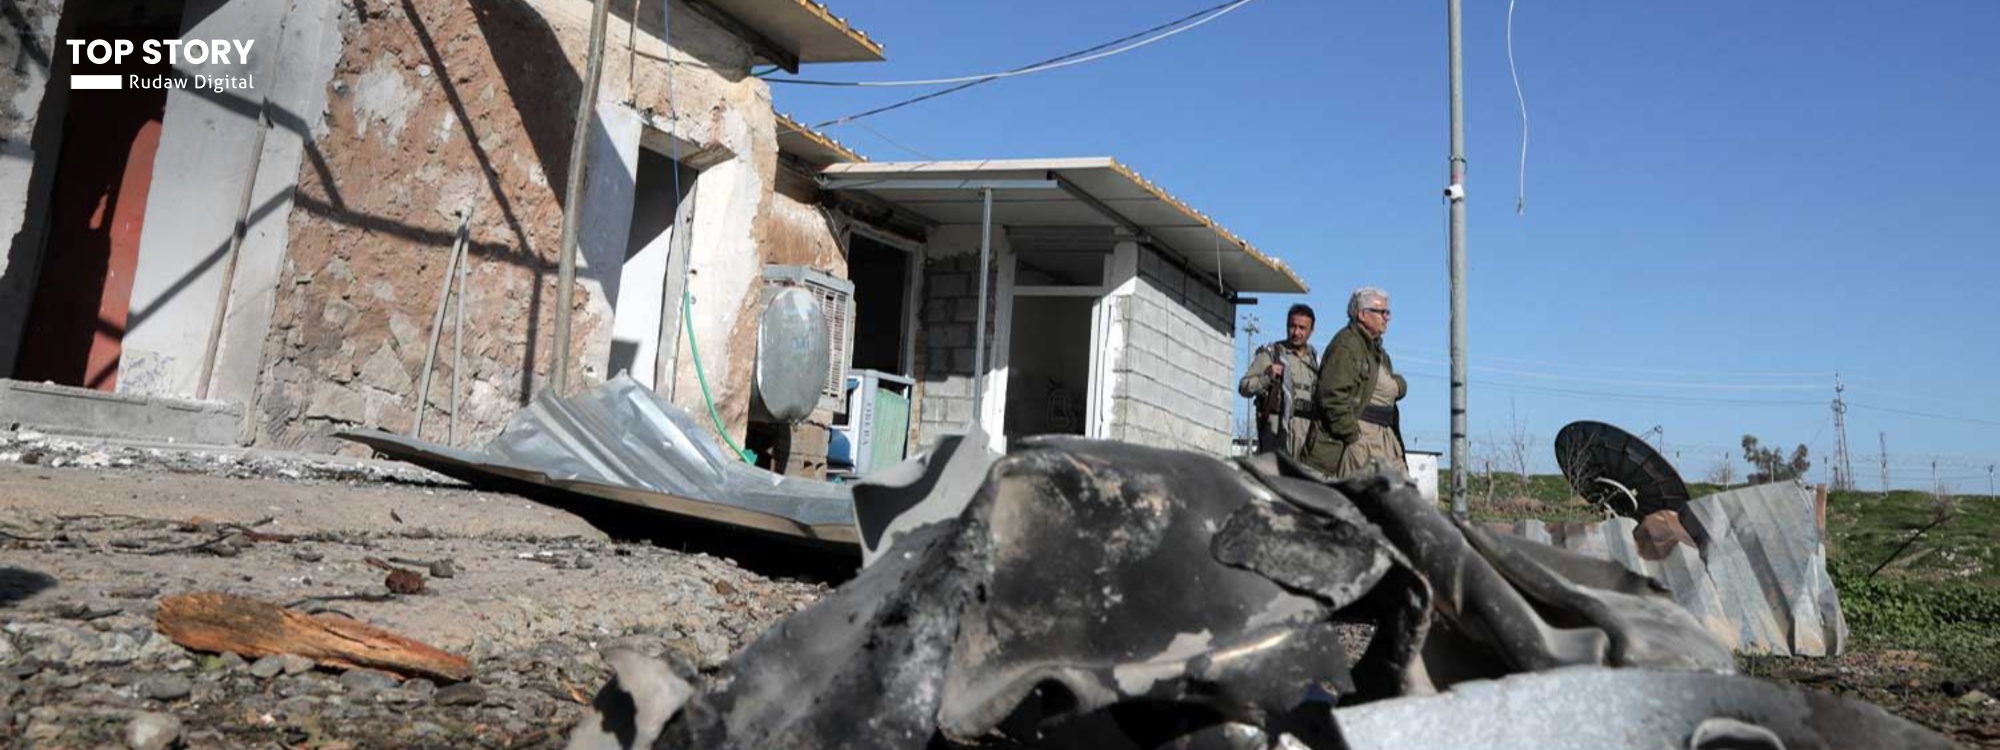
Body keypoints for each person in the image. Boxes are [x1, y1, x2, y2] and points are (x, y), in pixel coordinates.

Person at [1306, 287, 1407, 477]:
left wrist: (1398, 386)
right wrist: (1354, 436)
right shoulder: (1347, 345)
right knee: (1365, 500)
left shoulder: (1376, 350)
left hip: (1383, 437)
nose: (1387, 317)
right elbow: (1331, 396)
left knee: (1400, 497)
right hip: (1362, 440)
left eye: (1388, 312)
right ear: (1362, 314)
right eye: (1382, 312)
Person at [1237, 303, 1319, 458]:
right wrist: (1266, 378)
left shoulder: (1316, 361)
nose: (1296, 332)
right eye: (1292, 326)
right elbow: (1244, 387)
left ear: (1311, 331)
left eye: (1302, 328)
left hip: (1306, 436)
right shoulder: (1271, 354)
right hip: (1275, 432)